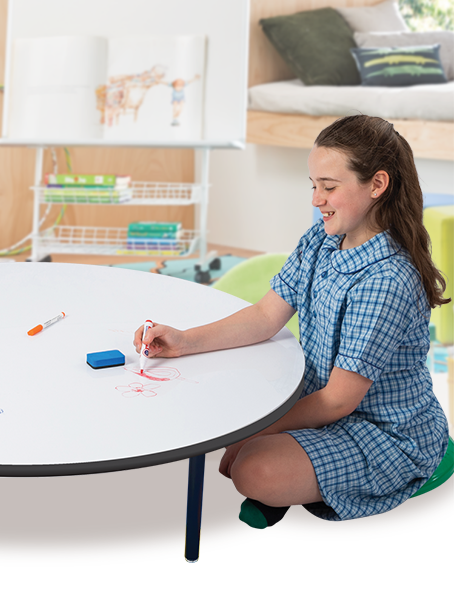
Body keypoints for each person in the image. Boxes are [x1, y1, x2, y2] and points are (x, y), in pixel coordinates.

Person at [134, 114, 450, 528]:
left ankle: (300, 477)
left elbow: (339, 400)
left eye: (329, 187)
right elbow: (266, 315)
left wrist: (255, 431)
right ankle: (294, 470)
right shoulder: (321, 238)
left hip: (383, 432)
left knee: (250, 469)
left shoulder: (386, 280)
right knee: (229, 440)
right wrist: (184, 340)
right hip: (318, 402)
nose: (316, 199)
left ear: (377, 184)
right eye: (313, 185)